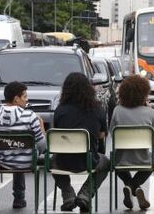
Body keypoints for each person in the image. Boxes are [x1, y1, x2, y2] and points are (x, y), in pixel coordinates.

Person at [51, 72, 110, 212]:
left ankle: (68, 195)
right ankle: (86, 194)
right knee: (106, 162)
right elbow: (102, 134)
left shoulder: (60, 110)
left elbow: (57, 132)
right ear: (88, 88)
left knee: (52, 161)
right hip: (89, 160)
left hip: (63, 160)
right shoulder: (97, 109)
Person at [0, 81, 46, 209]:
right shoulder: (30, 116)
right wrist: (41, 126)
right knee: (22, 152)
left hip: (2, 161)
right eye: (25, 96)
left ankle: (19, 197)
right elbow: (42, 145)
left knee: (15, 151)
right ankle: (19, 198)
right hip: (27, 161)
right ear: (16, 99)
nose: (27, 99)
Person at [110, 75, 154, 210]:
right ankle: (134, 186)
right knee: (152, 165)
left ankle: (129, 185)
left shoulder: (117, 111)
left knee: (116, 164)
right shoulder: (151, 113)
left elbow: (112, 134)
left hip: (121, 159)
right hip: (143, 160)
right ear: (144, 93)